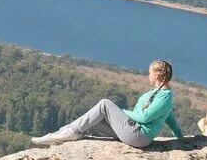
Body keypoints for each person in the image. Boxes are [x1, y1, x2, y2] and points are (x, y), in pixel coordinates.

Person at [31, 59, 184, 148]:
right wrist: (180, 138)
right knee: (93, 121)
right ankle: (66, 134)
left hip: (139, 135)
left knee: (105, 104)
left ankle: (67, 133)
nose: (148, 75)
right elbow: (169, 118)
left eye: (150, 72)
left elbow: (143, 117)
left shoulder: (165, 96)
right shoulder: (161, 95)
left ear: (157, 74)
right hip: (134, 134)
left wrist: (123, 113)